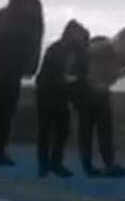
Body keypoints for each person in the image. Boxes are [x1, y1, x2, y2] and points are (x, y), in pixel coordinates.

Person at [0, 0, 44, 166]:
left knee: (7, 112)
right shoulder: (6, 16)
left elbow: (36, 44)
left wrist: (31, 66)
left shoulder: (33, 20)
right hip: (0, 69)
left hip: (14, 71)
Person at [79, 27, 125, 177]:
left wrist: (119, 74)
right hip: (87, 90)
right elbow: (85, 52)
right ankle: (87, 166)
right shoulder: (102, 47)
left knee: (105, 129)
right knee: (86, 129)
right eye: (124, 42)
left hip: (103, 90)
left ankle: (109, 164)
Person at [35, 19, 90, 178]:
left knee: (62, 130)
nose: (78, 37)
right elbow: (52, 72)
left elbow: (81, 75)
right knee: (45, 130)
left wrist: (77, 96)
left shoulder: (80, 52)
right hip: (47, 92)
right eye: (76, 33)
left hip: (63, 94)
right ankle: (43, 165)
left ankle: (56, 163)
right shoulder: (55, 49)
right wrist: (66, 79)